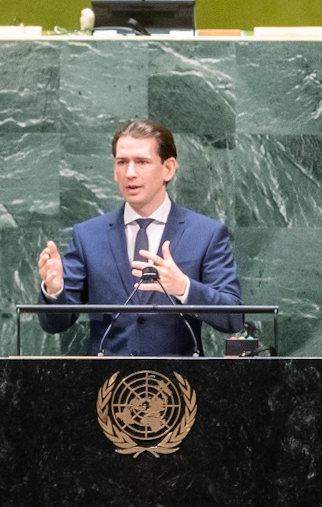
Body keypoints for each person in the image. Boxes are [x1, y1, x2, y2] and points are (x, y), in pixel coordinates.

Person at [35, 120, 244, 357]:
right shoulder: (88, 236)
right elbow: (54, 324)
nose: (130, 172)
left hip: (178, 387)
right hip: (108, 387)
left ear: (168, 168)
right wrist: (54, 290)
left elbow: (234, 317)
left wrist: (184, 288)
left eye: (142, 162)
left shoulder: (206, 234)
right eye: (122, 162)